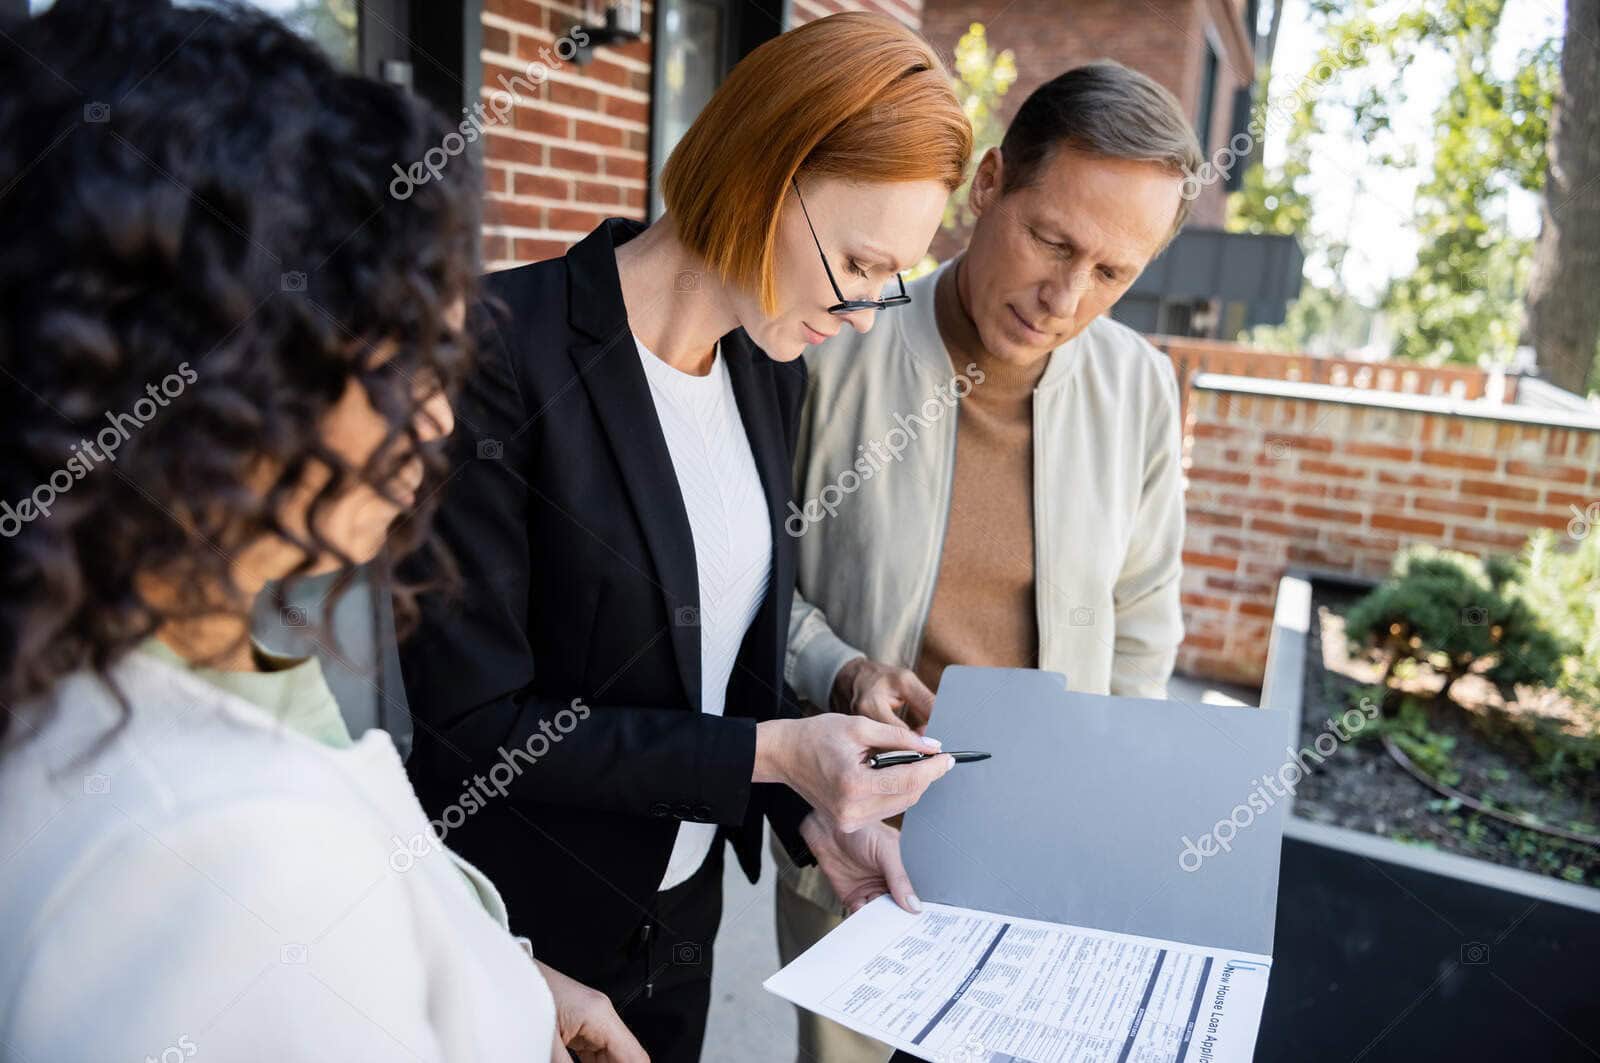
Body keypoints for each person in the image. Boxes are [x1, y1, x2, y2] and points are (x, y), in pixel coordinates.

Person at [0, 2, 640, 1060]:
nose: (434, 422)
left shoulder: (110, 654)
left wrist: (511, 985)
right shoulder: (232, 851)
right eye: (400, 362)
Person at [396, 11, 973, 1061]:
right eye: (855, 259)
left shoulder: (767, 372)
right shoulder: (499, 354)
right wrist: (775, 754)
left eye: (887, 282)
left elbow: (714, 675)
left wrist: (814, 813)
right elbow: (469, 727)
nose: (859, 312)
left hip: (680, 934)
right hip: (521, 945)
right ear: (764, 169)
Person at [775, 62, 1202, 1062]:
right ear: (989, 186)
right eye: (1050, 239)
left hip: (1045, 842)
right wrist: (835, 667)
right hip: (855, 832)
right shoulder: (829, 351)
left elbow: (1142, 616)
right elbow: (752, 587)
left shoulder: (1138, 385)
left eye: (1112, 273)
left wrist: (1112, 797)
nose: (1064, 296)